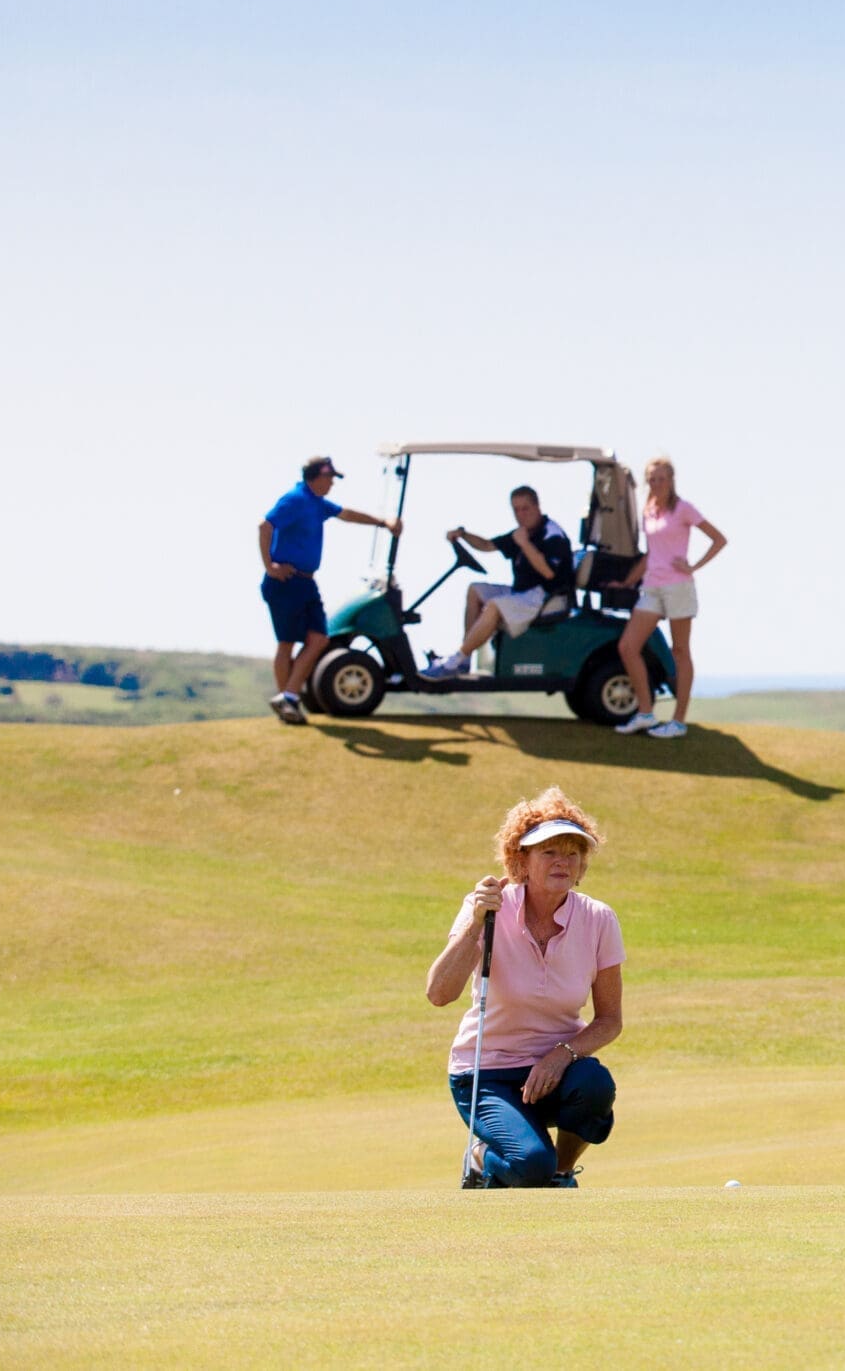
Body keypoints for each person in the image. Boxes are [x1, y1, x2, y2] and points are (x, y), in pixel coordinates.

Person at [427, 789, 625, 1189]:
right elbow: (439, 993)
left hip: (559, 1070)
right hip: (487, 1073)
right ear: (521, 860)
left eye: (573, 853)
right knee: (528, 1163)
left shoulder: (599, 919)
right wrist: (477, 921)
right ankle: (484, 1159)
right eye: (549, 851)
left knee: (595, 1087)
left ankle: (561, 1172)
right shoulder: (487, 907)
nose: (563, 862)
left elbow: (609, 1020)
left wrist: (560, 1055)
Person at [257, 454, 400, 725]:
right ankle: (287, 700)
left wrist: (383, 523)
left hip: (306, 582)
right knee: (287, 643)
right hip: (285, 582)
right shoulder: (295, 499)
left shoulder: (317, 503)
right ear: (317, 476)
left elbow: (346, 514)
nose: (332, 483)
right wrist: (270, 566)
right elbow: (265, 526)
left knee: (319, 639)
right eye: (330, 478)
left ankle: (289, 695)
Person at [613, 456, 725, 739]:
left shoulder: (684, 509)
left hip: (678, 588)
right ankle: (646, 713)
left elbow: (718, 539)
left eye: (662, 478)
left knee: (679, 651)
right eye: (652, 479)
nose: (657, 483)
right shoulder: (648, 510)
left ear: (671, 480)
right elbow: (652, 553)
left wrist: (694, 566)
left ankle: (678, 721)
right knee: (628, 646)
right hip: (651, 588)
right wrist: (627, 581)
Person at [419, 486, 575, 680]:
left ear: (537, 506)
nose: (520, 515)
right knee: (475, 590)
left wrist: (525, 544)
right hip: (523, 592)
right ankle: (463, 663)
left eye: (525, 509)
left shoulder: (551, 534)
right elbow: (487, 545)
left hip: (546, 597)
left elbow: (549, 573)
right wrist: (463, 535)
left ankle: (454, 661)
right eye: (516, 510)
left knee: (494, 606)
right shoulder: (523, 533)